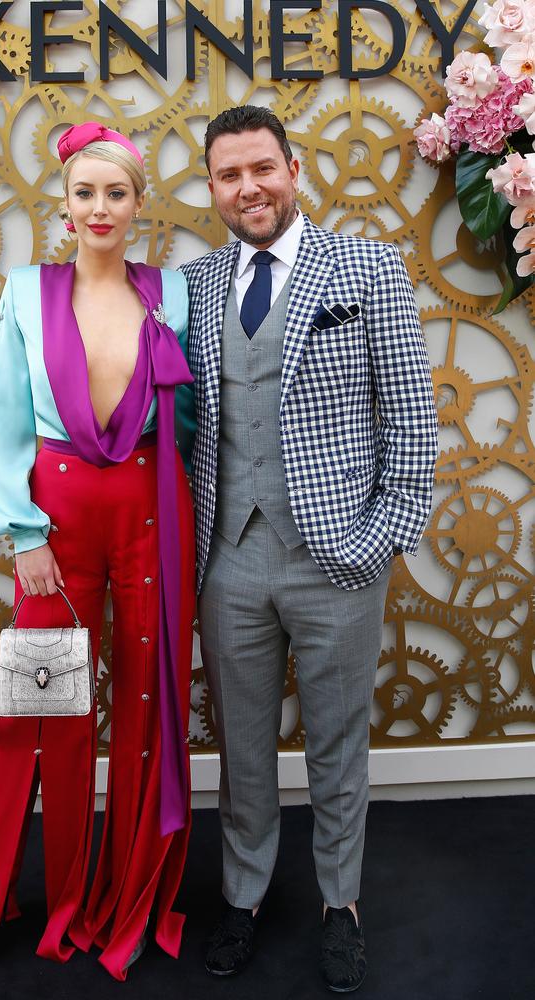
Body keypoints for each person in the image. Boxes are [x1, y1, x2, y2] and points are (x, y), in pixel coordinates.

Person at [0, 122, 196, 982]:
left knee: (148, 712)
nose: (101, 208)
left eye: (117, 193)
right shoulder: (24, 292)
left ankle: (130, 897)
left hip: (153, 518)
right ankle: (32, 900)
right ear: (64, 206)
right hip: (56, 531)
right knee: (40, 713)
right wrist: (23, 534)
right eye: (86, 193)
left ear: (139, 205)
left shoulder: (174, 292)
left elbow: (193, 423)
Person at [180, 105, 438, 993]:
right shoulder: (198, 282)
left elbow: (411, 415)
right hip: (230, 560)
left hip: (340, 558)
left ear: (293, 168)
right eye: (228, 175)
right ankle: (243, 898)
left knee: (339, 748)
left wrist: (383, 539)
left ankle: (341, 905)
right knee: (240, 752)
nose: (247, 187)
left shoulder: (363, 265)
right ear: (211, 187)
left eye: (262, 168)